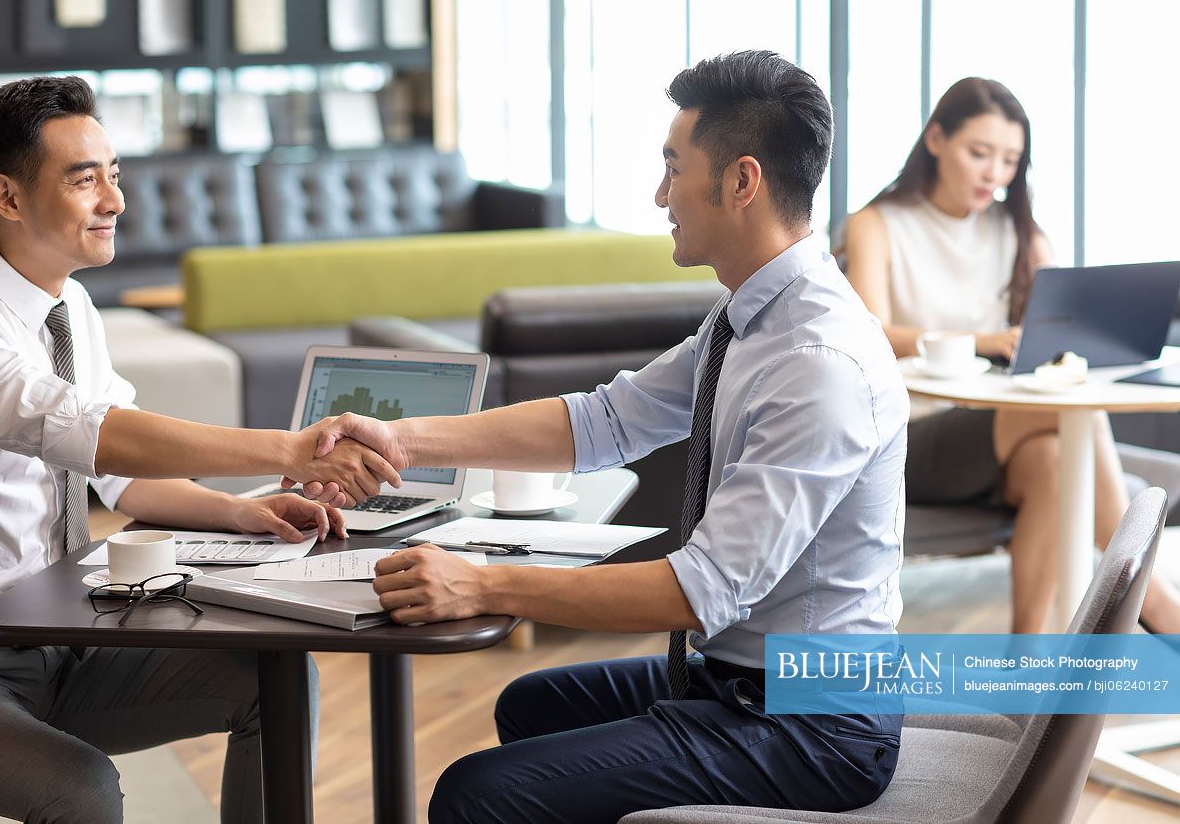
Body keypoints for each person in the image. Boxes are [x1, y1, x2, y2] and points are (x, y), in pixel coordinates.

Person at [303, 51, 909, 822]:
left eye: (671, 167)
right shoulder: (748, 318)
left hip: (809, 722)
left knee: (473, 794)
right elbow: (604, 419)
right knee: (533, 704)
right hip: (735, 676)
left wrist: (480, 582)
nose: (660, 194)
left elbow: (701, 588)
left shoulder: (818, 364)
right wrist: (402, 440)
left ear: (740, 181)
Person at [0, 76, 399, 823]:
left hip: (60, 640)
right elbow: (84, 428)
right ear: (8, 197)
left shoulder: (70, 306)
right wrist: (288, 448)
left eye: (113, 174)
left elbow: (118, 473)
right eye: (85, 180)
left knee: (273, 679)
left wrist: (242, 513)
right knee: (80, 789)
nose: (115, 200)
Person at [840, 77, 1180, 634]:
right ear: (935, 140)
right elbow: (871, 329)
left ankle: (1025, 657)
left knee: (1052, 458)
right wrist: (982, 342)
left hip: (1000, 434)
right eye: (979, 153)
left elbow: (1060, 324)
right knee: (1064, 413)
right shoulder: (877, 223)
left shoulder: (1019, 232)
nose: (993, 174)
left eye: (1008, 160)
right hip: (909, 431)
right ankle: (1151, 595)